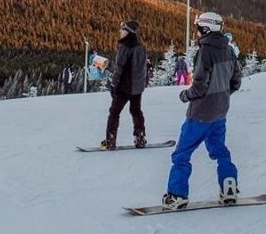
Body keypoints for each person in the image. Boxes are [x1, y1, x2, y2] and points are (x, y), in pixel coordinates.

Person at [163, 12, 243, 210]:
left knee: (182, 154)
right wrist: (223, 95)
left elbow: (199, 86)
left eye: (198, 27)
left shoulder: (204, 52)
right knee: (220, 150)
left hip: (200, 114)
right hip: (220, 112)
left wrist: (185, 95)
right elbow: (236, 81)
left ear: (206, 28)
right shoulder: (229, 50)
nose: (197, 32)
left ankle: (177, 195)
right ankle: (229, 186)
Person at [102, 20, 148, 150]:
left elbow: (119, 68)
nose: (120, 32)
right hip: (137, 87)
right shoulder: (141, 46)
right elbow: (143, 68)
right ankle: (140, 137)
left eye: (122, 30)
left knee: (114, 111)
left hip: (125, 86)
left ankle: (110, 139)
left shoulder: (125, 47)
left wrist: (114, 84)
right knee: (136, 110)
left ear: (128, 32)